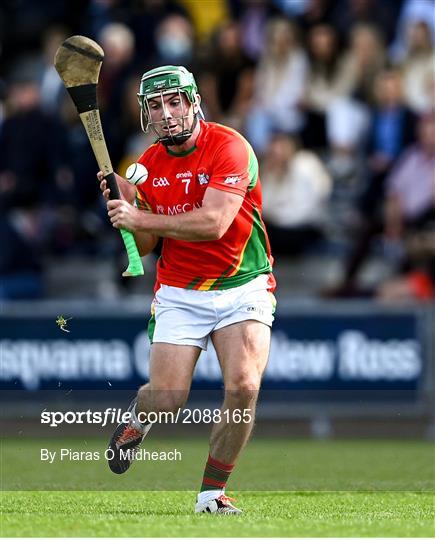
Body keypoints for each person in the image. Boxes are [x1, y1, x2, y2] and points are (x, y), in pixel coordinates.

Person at [98, 65, 276, 514]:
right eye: (155, 105)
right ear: (146, 114)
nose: (166, 113)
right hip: (180, 289)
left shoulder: (230, 147)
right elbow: (147, 246)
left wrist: (141, 218)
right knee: (168, 400)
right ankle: (138, 420)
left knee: (243, 386)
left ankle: (211, 494)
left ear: (194, 101)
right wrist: (126, 208)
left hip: (243, 283)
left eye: (174, 101)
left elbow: (215, 223)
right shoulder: (145, 167)